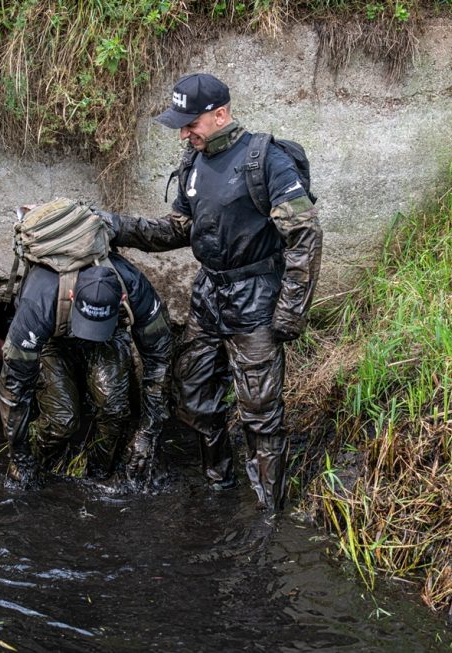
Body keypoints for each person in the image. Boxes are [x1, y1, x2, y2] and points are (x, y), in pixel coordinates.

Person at [98, 73, 323, 511]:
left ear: (220, 114)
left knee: (259, 412)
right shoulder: (193, 162)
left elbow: (305, 237)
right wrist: (116, 225)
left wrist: (291, 310)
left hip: (256, 297)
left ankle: (266, 512)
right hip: (209, 295)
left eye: (190, 123)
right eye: (181, 125)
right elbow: (179, 229)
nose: (184, 133)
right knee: (193, 396)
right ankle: (220, 484)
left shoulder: (267, 160)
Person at [0, 254, 172, 489]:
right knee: (61, 420)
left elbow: (159, 359)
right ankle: (40, 465)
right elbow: (14, 383)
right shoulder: (38, 302)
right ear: (72, 295)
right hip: (53, 341)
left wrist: (148, 432)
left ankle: (98, 475)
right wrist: (19, 455)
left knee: (115, 408)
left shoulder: (136, 288)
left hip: (109, 339)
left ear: (121, 299)